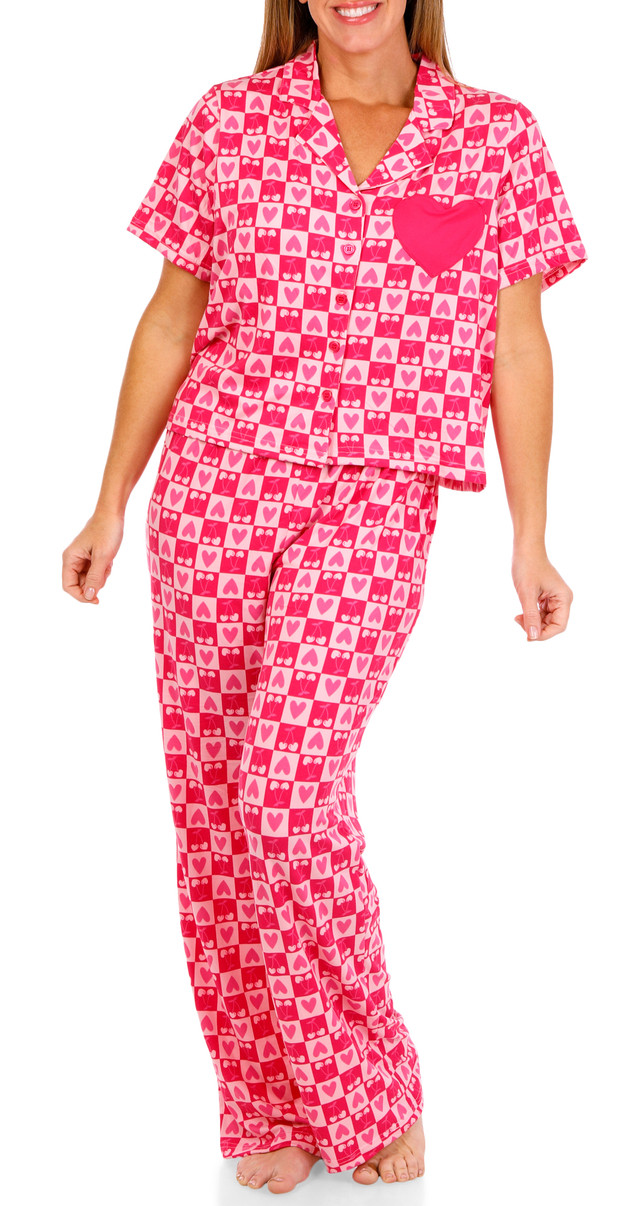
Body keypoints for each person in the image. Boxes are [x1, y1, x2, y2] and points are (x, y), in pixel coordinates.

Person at [61, 0, 588, 1193]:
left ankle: (370, 1085)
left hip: (377, 499)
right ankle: (262, 1092)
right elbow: (170, 320)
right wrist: (110, 502)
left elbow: (516, 343)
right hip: (214, 489)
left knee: (284, 791)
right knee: (217, 812)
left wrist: (530, 535)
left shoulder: (495, 135)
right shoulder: (229, 122)